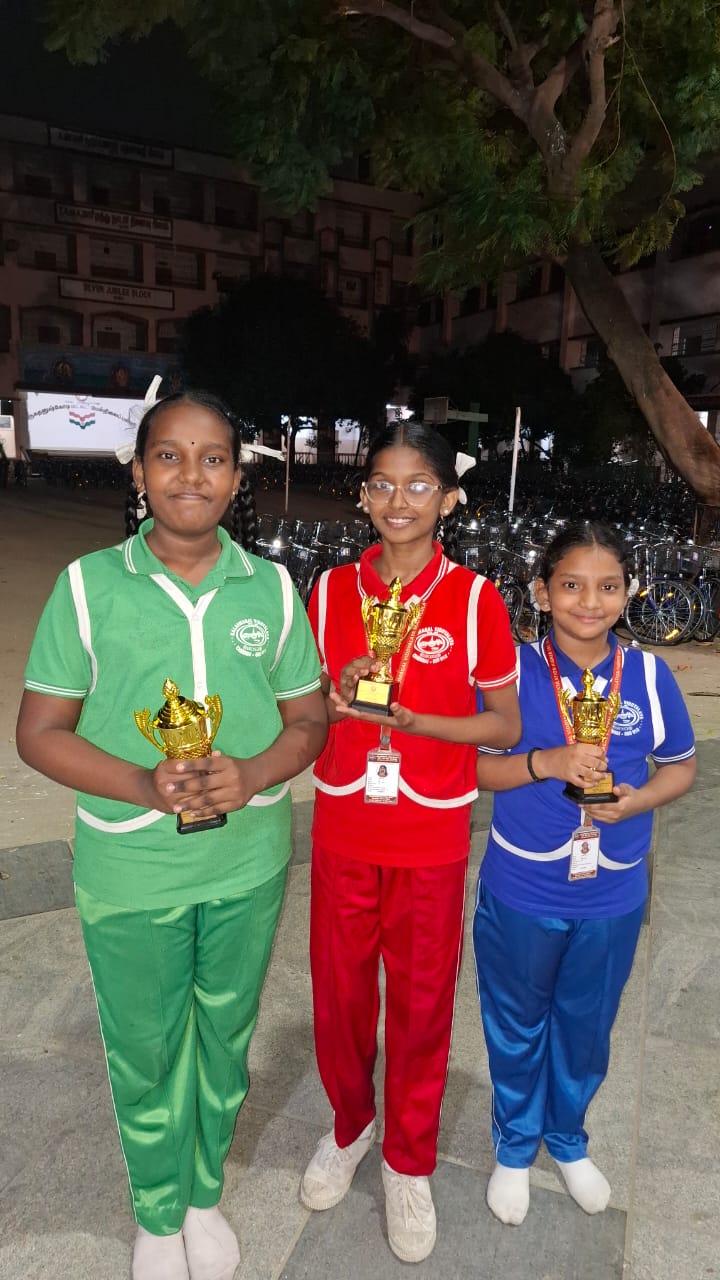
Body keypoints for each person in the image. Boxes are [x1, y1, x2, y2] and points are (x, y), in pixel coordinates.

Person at [15, 389, 328, 1280]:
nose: (192, 474)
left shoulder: (269, 586)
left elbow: (309, 720)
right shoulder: (87, 586)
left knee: (226, 1034)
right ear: (140, 470)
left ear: (239, 475)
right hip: (130, 862)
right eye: (170, 455)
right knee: (147, 1042)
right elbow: (39, 732)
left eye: (215, 457)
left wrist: (257, 771)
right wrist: (142, 784)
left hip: (246, 857)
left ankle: (201, 1194)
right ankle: (156, 1213)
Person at [300, 423, 521, 1263]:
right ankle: (352, 1125)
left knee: (425, 1001)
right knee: (341, 993)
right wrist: (337, 688)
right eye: (383, 485)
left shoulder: (473, 598)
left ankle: (408, 1160)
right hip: (346, 821)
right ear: (363, 496)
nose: (399, 501)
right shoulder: (326, 590)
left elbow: (505, 723)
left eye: (418, 485)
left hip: (430, 827)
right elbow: (305, 707)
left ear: (449, 498)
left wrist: (415, 719)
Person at [472, 521, 696, 1227]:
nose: (589, 602)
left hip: (613, 889)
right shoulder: (509, 673)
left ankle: (566, 1138)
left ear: (628, 593)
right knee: (515, 1018)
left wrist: (638, 802)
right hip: (523, 883)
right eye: (571, 585)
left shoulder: (652, 677)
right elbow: (475, 767)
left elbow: (681, 766)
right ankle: (514, 1143)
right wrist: (545, 762)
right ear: (542, 592)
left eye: (607, 586)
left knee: (587, 1022)